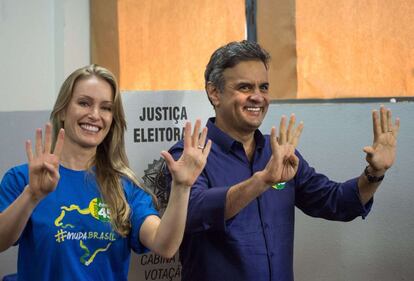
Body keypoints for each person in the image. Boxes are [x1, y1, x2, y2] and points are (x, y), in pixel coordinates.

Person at [165, 40, 400, 281]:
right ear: (215, 92)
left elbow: (336, 202)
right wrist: (262, 181)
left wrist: (374, 173)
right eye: (245, 87)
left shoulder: (278, 152)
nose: (258, 97)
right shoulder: (188, 155)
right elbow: (193, 213)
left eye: (264, 87)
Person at [0, 64, 211, 281]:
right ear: (63, 110)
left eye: (106, 108)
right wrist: (31, 196)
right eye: (84, 103)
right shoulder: (23, 179)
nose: (94, 115)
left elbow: (164, 245)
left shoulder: (125, 187)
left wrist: (182, 187)